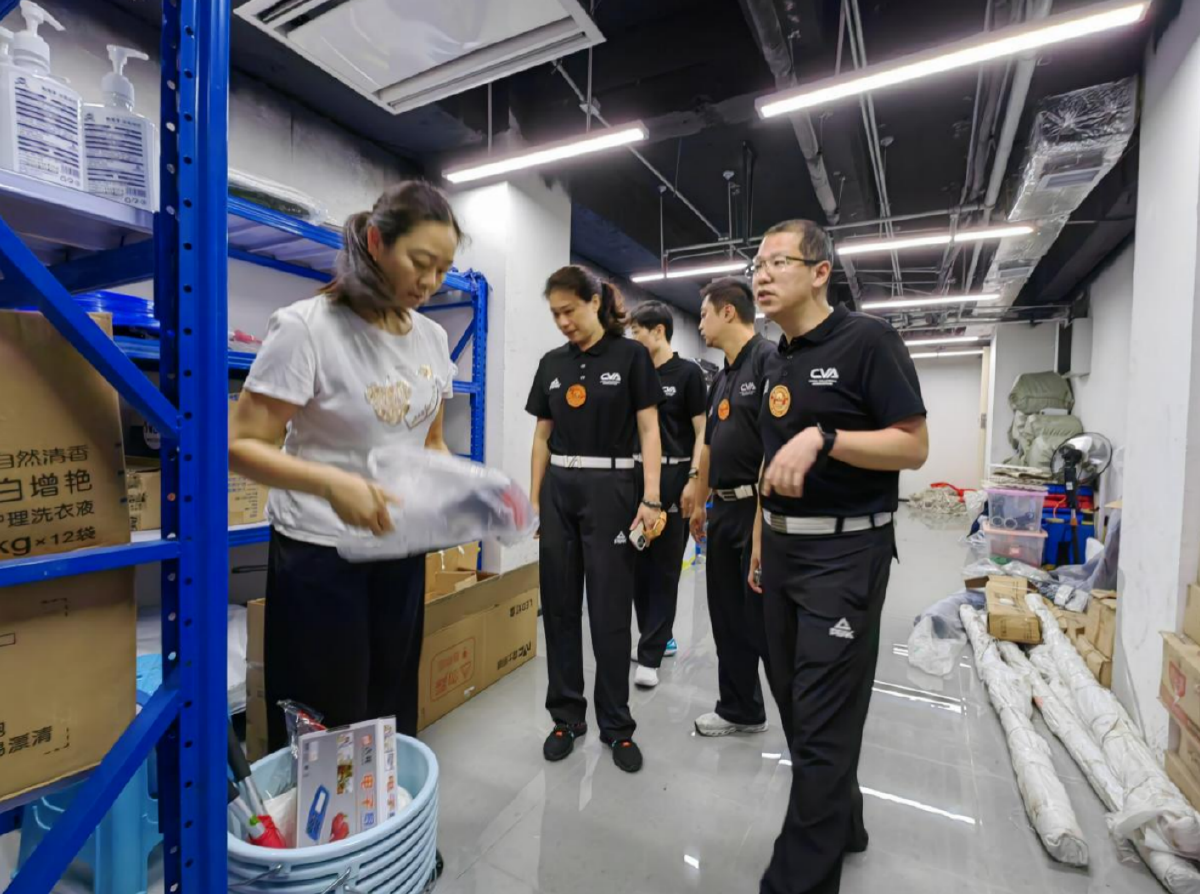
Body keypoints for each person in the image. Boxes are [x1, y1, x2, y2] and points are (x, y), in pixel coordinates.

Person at [229, 181, 464, 749]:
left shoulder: (432, 338)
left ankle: (384, 810)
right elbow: (241, 445)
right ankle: (321, 812)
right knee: (324, 725)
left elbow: (430, 439)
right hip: (321, 556)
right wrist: (333, 484)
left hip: (399, 550)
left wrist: (465, 489)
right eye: (420, 263)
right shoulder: (307, 327)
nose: (430, 283)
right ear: (376, 242)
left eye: (443, 270)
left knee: (390, 711)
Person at [748, 219, 928, 894]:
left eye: (778, 262)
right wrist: (760, 542)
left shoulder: (869, 342)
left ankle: (796, 880)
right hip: (782, 552)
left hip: (846, 554)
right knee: (797, 707)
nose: (762, 275)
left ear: (820, 272)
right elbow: (771, 462)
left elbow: (913, 446)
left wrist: (827, 437)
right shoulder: (774, 359)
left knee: (823, 720)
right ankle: (844, 819)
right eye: (756, 265)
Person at [527, 265, 665, 773]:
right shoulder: (551, 363)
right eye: (555, 314)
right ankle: (566, 718)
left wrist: (652, 498)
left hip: (613, 488)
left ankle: (616, 724)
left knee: (609, 611)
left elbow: (649, 430)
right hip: (560, 490)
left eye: (569, 310)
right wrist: (534, 500)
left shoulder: (630, 357)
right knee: (560, 607)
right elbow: (542, 437)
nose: (563, 321)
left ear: (593, 302)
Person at [689, 278, 775, 737]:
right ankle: (741, 709)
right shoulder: (721, 377)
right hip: (722, 510)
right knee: (725, 616)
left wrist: (761, 522)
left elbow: (774, 445)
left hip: (756, 512)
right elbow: (708, 445)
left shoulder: (768, 361)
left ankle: (801, 727)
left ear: (727, 312)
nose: (699, 324)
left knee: (760, 621)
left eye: (703, 314)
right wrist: (700, 500)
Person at [628, 301, 707, 688]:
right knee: (637, 565)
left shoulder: (688, 374)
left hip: (675, 475)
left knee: (664, 567)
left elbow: (702, 431)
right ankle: (657, 636)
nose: (632, 340)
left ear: (658, 331)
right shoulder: (636, 373)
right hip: (636, 476)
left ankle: (651, 653)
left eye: (636, 333)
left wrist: (694, 478)